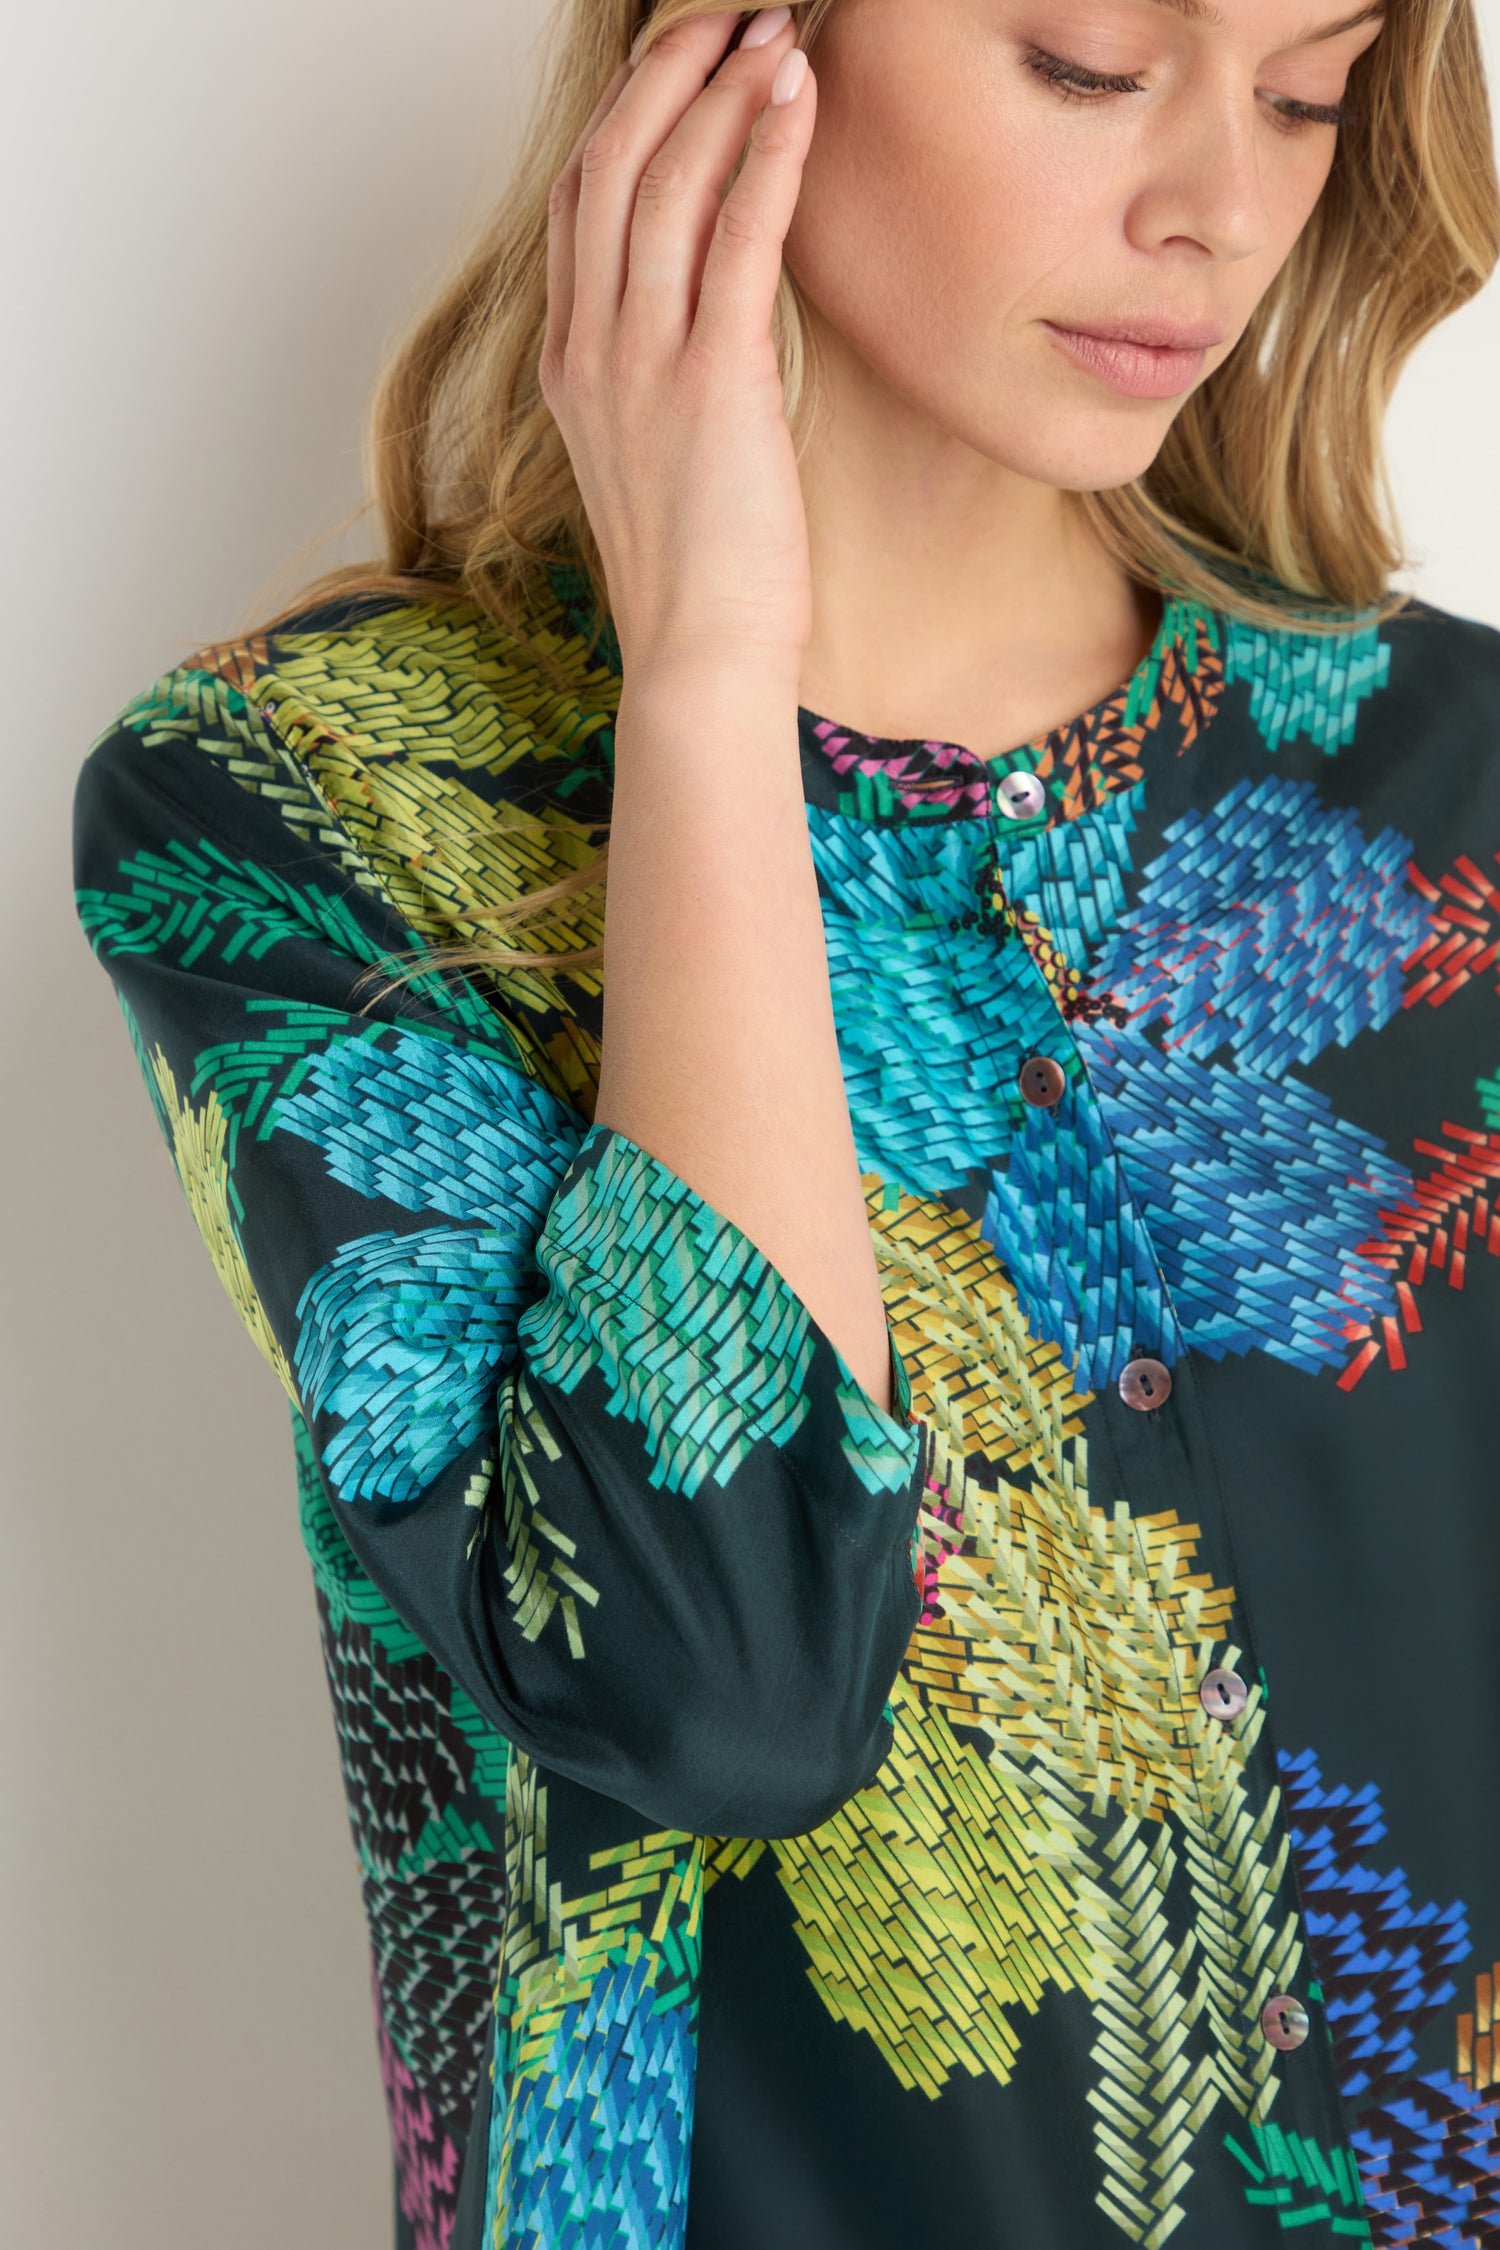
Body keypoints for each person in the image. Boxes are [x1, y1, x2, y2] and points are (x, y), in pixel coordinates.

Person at [71, 1, 1500, 2244]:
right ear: (744, 44)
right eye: (1090, 60)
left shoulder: (1458, 811)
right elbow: (726, 1689)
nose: (1220, 203)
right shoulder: (301, 815)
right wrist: (717, 669)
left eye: (1312, 88)